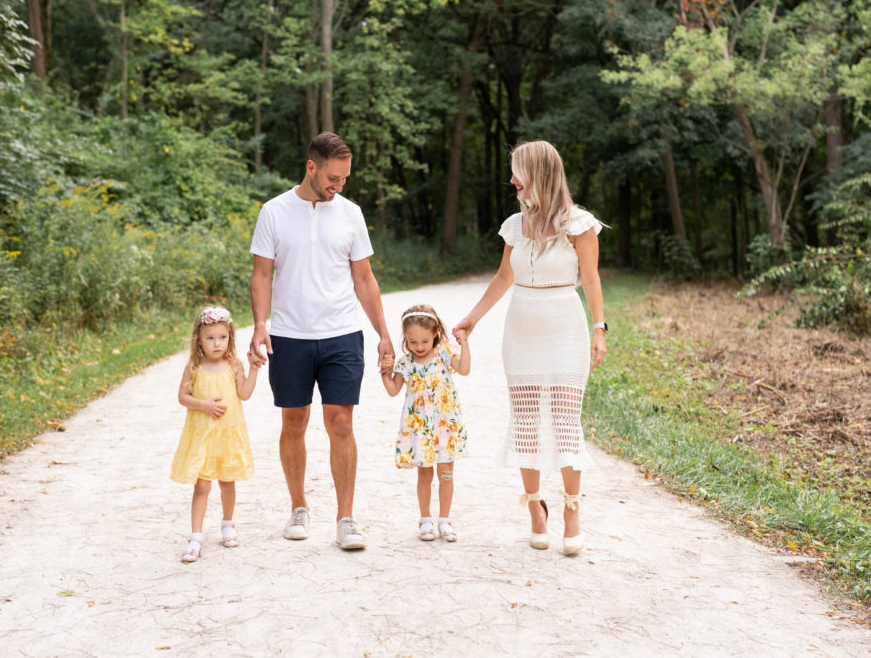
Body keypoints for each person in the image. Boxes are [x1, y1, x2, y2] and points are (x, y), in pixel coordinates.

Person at [452, 140, 606, 556]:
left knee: (564, 418)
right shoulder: (514, 226)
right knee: (525, 420)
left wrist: (599, 327)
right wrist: (472, 317)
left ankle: (572, 511)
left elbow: (590, 280)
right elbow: (504, 276)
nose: (512, 180)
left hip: (565, 326)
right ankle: (536, 509)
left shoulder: (580, 224)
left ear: (538, 174)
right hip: (521, 327)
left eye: (518, 171)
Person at [249, 131, 394, 550]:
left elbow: (364, 279)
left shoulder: (351, 213)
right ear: (310, 167)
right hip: (289, 336)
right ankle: (299, 506)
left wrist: (383, 333)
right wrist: (260, 324)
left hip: (342, 335)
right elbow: (261, 274)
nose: (339, 186)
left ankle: (346, 518)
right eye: (333, 178)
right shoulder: (274, 212)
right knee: (293, 423)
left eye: (345, 179)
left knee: (342, 424)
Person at [170, 305, 260, 563]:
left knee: (227, 481)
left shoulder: (234, 364)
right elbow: (182, 397)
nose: (216, 343)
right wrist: (204, 405)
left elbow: (244, 394)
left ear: (230, 336)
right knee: (201, 485)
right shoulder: (195, 366)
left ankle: (228, 524)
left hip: (227, 435)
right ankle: (196, 535)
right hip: (203, 436)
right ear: (199, 338)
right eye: (210, 338)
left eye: (222, 337)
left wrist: (253, 370)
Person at [380, 305, 471, 542]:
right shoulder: (407, 363)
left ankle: (445, 520)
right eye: (412, 342)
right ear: (406, 340)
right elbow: (393, 390)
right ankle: (425, 519)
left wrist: (465, 345)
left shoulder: (443, 354)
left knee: (446, 473)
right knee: (424, 475)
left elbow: (464, 369)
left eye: (424, 341)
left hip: (445, 426)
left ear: (435, 335)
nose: (418, 347)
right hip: (419, 428)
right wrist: (385, 373)